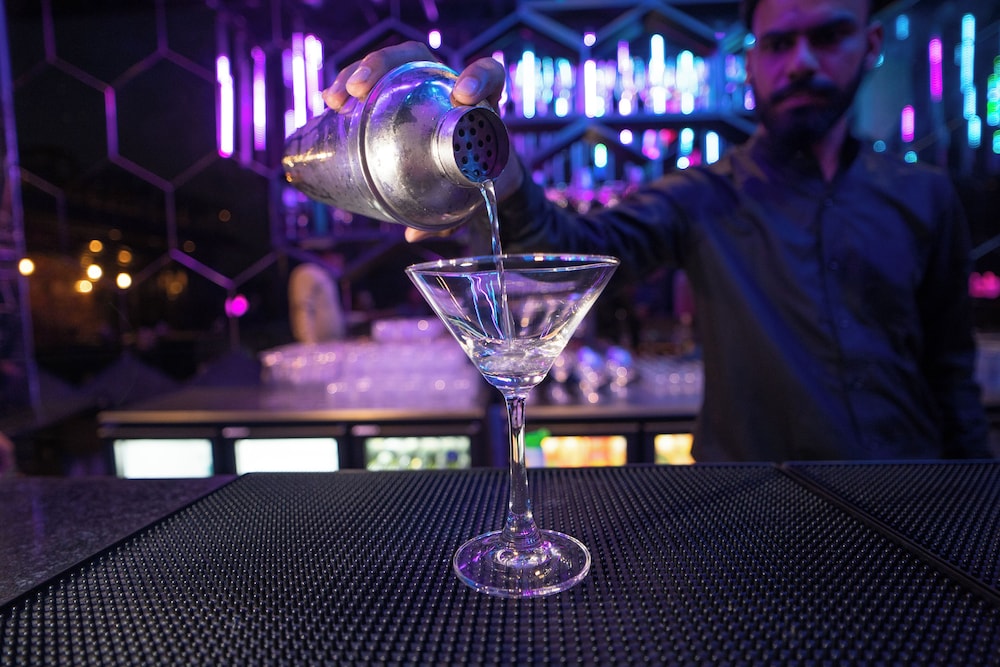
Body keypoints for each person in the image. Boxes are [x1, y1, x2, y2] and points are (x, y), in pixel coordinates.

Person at [322, 0, 995, 462]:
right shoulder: (700, 196)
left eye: (827, 36)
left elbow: (951, 370)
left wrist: (972, 500)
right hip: (744, 508)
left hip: (909, 493)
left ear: (871, 44)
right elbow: (565, 251)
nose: (801, 63)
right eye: (778, 43)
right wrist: (492, 168)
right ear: (750, 60)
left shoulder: (928, 195)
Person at [288, 249, 348, 344]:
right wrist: (308, 342)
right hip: (318, 346)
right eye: (339, 258)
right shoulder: (307, 272)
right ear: (328, 255)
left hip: (333, 344)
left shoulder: (326, 276)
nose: (341, 263)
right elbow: (302, 307)